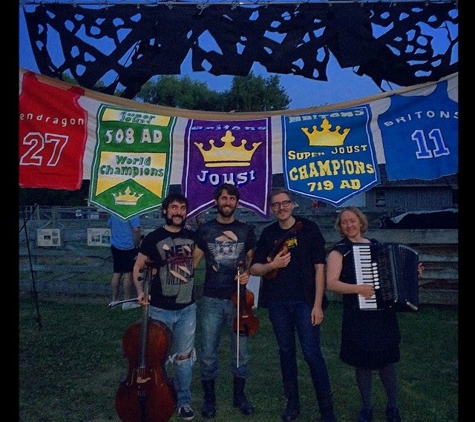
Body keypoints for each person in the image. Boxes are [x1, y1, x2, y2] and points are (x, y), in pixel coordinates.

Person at [325, 207, 424, 422]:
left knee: (387, 362)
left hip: (383, 314)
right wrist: (358, 289)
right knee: (363, 363)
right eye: (344, 222)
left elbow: (395, 275)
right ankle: (367, 408)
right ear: (340, 227)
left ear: (361, 223)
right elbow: (331, 283)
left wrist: (411, 273)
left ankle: (393, 407)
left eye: (353, 221)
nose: (349, 225)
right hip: (358, 315)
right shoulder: (338, 251)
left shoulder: (378, 246)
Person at [249, 188, 336, 422]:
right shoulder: (268, 234)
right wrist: (272, 265)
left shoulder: (309, 229)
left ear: (293, 205)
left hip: (305, 301)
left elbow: (320, 268)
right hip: (278, 302)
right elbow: (254, 268)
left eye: (285, 203)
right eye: (276, 205)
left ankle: (327, 409)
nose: (281, 208)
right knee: (286, 352)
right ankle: (292, 403)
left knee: (311, 353)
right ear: (271, 209)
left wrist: (318, 305)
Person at [193, 183, 257, 419]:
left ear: (237, 203)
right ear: (216, 202)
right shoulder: (206, 230)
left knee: (241, 351)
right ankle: (209, 398)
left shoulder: (246, 230)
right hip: (211, 298)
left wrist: (248, 272)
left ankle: (239, 396)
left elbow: (252, 260)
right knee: (208, 352)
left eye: (231, 198)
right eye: (223, 198)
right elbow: (194, 263)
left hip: (239, 300)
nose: (227, 202)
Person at [133, 193, 197, 421]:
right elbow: (139, 266)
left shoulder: (192, 236)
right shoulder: (153, 238)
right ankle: (157, 395)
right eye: (174, 207)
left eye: (182, 208)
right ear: (165, 211)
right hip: (160, 308)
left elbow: (197, 260)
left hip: (187, 308)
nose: (178, 211)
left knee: (183, 357)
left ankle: (184, 401)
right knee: (156, 358)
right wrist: (141, 292)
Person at [108, 214, 141, 310]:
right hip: (128, 246)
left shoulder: (116, 212)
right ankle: (126, 301)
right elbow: (136, 229)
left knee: (117, 272)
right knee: (128, 273)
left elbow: (110, 224)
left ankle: (114, 300)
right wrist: (137, 243)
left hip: (115, 245)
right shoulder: (133, 213)